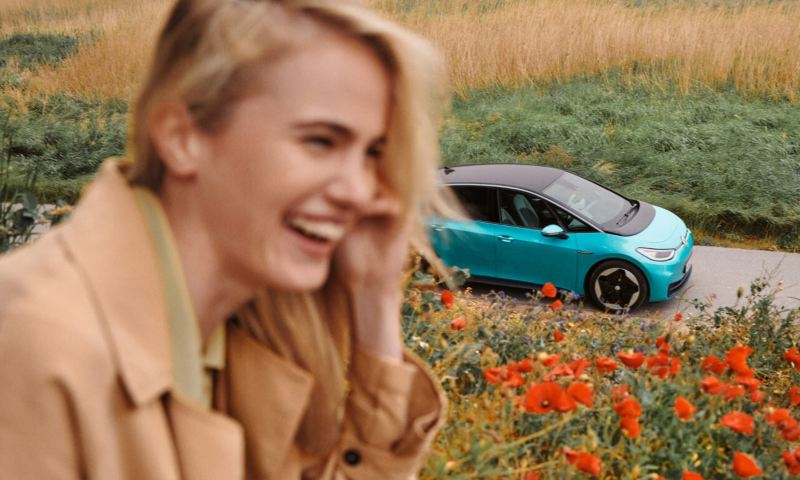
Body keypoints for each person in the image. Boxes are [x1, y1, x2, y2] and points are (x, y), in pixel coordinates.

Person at [0, 0, 454, 477]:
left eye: (371, 153)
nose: (360, 191)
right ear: (181, 137)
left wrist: (375, 297)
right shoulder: (35, 345)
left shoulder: (245, 335)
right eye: (320, 141)